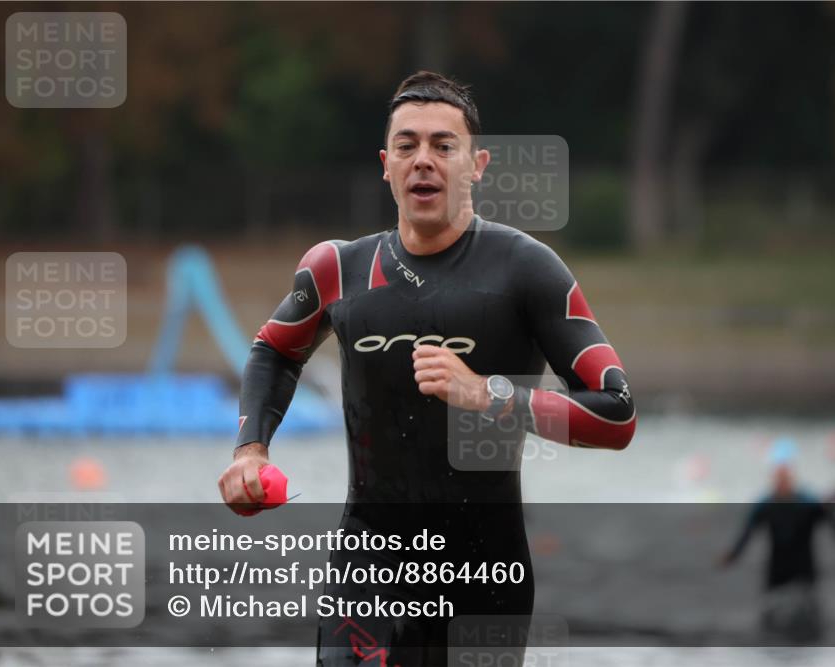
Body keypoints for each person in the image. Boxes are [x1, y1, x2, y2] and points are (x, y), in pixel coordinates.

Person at [218, 71, 636, 665]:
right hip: (368, 567)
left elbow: (616, 413)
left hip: (484, 579)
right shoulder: (337, 269)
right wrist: (250, 450)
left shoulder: (528, 271)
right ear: (386, 164)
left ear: (477, 165)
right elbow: (274, 350)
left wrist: (490, 394)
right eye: (408, 146)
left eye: (444, 146)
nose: (424, 161)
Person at [719, 464, 835, 643]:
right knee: (770, 624)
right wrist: (730, 557)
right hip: (776, 574)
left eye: (785, 480)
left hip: (804, 572)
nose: (781, 485)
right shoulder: (765, 505)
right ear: (773, 483)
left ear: (792, 482)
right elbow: (745, 535)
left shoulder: (808, 504)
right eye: (778, 480)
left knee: (809, 623)